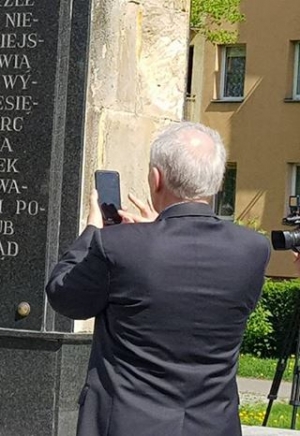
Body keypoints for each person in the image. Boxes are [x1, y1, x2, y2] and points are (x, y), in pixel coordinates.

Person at [45, 121, 270, 436]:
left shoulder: (118, 245)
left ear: (156, 178)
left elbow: (64, 296)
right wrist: (157, 232)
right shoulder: (253, 249)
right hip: (213, 425)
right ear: (217, 181)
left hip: (127, 424)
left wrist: (92, 231)